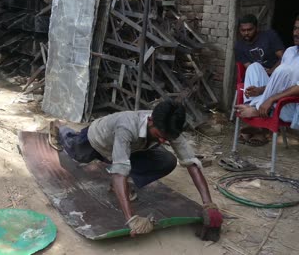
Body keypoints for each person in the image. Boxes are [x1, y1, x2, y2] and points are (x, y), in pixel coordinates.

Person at [49, 100, 223, 240]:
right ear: (150, 121)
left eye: (167, 138)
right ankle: (60, 128)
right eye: (160, 136)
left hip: (133, 148)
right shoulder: (127, 127)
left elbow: (191, 163)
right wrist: (131, 219)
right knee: (74, 150)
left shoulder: (168, 127)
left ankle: (126, 185)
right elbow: (119, 172)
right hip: (98, 140)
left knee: (167, 160)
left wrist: (209, 204)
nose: (163, 141)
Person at [235, 15, 299, 128]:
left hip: (290, 106)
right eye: (295, 28)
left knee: (282, 69)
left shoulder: (269, 37)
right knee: (254, 67)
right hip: (273, 103)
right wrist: (260, 90)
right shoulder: (290, 51)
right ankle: (254, 108)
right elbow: (280, 83)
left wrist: (271, 98)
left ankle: (255, 110)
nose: (296, 33)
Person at [234, 14, 285, 145]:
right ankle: (258, 124)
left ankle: (258, 127)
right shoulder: (239, 46)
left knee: (256, 67)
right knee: (254, 67)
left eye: (249, 30)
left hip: (276, 79)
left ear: (256, 28)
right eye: (243, 30)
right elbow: (247, 67)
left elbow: (284, 59)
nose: (246, 33)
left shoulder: (269, 36)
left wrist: (272, 71)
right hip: (258, 80)